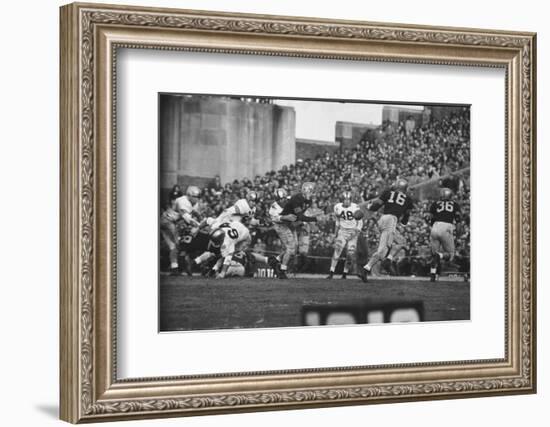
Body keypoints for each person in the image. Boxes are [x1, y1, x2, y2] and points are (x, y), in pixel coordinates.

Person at [360, 178, 414, 282]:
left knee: (401, 242)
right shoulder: (408, 199)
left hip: (383, 219)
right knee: (382, 251)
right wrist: (403, 220)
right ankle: (366, 269)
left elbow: (377, 205)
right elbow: (405, 219)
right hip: (391, 220)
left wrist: (370, 207)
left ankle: (387, 260)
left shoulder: (388, 193)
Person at [272, 182, 322, 279]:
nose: (312, 194)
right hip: (282, 225)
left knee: (293, 249)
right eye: (311, 192)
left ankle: (275, 260)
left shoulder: (302, 200)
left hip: (290, 225)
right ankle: (282, 270)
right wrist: (314, 219)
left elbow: (299, 216)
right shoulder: (292, 201)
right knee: (290, 248)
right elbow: (299, 217)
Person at [427, 187, 461, 281]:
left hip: (435, 226)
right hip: (447, 227)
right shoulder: (455, 204)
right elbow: (458, 220)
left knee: (434, 254)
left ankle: (433, 274)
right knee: (450, 254)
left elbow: (430, 218)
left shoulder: (435, 204)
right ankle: (440, 256)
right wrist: (458, 235)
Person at [327, 191, 363, 279]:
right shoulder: (337, 207)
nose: (347, 201)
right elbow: (337, 221)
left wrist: (356, 233)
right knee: (337, 251)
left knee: (350, 255)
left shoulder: (355, 207)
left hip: (353, 232)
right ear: (342, 200)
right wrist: (335, 233)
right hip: (342, 231)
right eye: (345, 200)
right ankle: (331, 272)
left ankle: (344, 273)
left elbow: (360, 222)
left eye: (348, 199)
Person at [159, 204, 182, 275]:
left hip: (164, 223)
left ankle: (174, 268)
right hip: (168, 223)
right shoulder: (179, 211)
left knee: (173, 247)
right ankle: (175, 268)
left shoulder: (170, 209)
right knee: (175, 246)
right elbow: (174, 230)